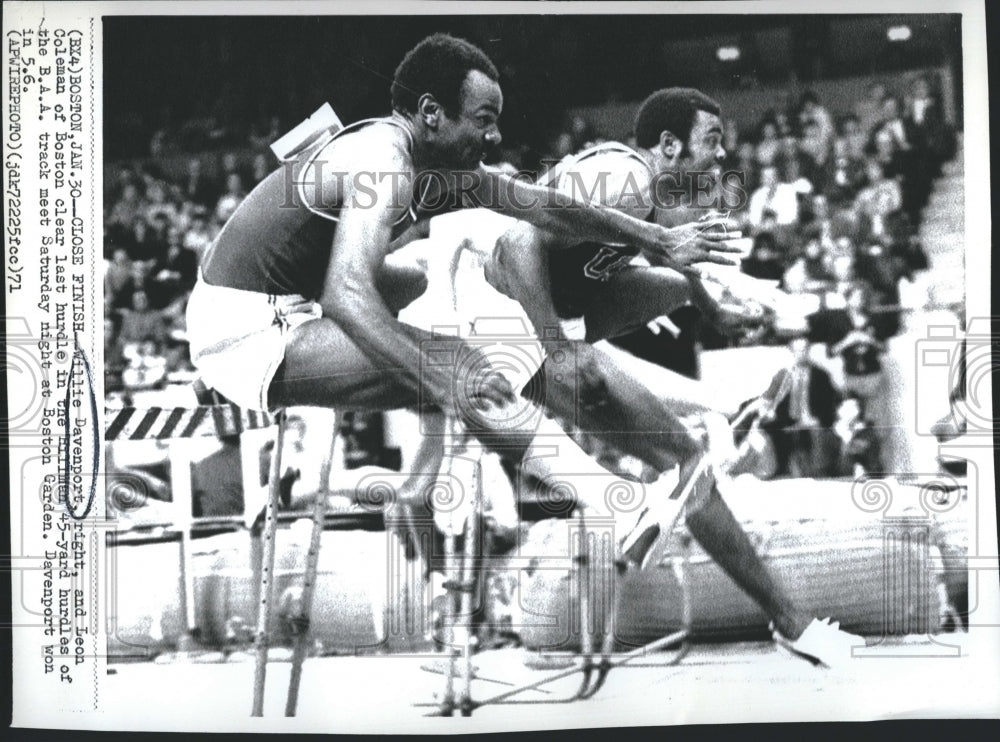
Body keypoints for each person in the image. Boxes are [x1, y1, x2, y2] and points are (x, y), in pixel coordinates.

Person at [486, 87, 862, 666]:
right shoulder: (626, 179)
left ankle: (651, 490)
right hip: (509, 316)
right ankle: (785, 616)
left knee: (679, 288)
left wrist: (716, 312)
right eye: (711, 141)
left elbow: (668, 262)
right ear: (669, 145)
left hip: (558, 310)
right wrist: (557, 349)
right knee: (685, 460)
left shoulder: (655, 198)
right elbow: (516, 240)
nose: (719, 155)